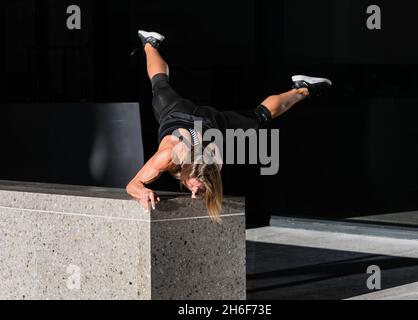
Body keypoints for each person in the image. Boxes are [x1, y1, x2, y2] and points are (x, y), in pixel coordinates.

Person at [126, 30, 332, 223]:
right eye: (196, 188)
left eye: (196, 188)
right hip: (195, 120)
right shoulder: (190, 158)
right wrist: (142, 192)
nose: (193, 193)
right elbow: (133, 186)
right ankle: (149, 44)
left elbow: (133, 185)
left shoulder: (190, 159)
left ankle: (304, 89)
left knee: (258, 116)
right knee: (161, 84)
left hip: (194, 119)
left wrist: (140, 190)